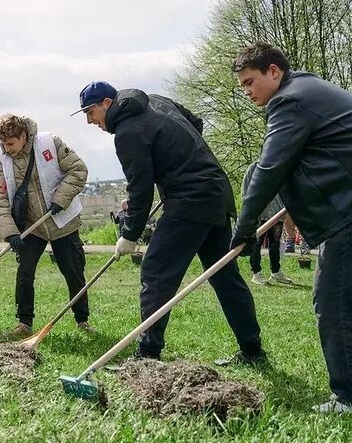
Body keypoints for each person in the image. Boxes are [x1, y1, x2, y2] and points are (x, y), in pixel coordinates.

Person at [230, 43, 352, 415]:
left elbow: (271, 167)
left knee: (337, 301)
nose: (247, 91)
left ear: (274, 72)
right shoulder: (310, 89)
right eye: (242, 86)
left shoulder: (289, 102)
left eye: (250, 82)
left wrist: (243, 226)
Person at [78, 81, 264, 365]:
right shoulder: (157, 100)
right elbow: (196, 124)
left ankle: (148, 355)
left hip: (190, 202)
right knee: (226, 278)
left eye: (90, 113)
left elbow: (139, 189)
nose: (90, 121)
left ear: (106, 103)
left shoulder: (126, 132)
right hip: (216, 193)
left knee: (156, 273)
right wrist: (177, 163)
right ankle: (252, 351)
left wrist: (129, 234)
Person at [0, 113, 93, 335]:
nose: (7, 148)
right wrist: (10, 233)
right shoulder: (3, 160)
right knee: (25, 272)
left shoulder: (50, 143)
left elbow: (78, 170)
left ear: (23, 136)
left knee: (74, 271)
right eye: (3, 144)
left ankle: (82, 321)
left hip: (62, 220)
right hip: (31, 225)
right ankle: (24, 323)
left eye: (10, 143)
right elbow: (0, 199)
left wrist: (60, 199)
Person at [241, 161, 291, 285]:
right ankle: (256, 273)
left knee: (275, 244)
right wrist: (249, 210)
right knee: (256, 244)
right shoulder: (254, 167)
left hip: (276, 214)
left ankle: (275, 272)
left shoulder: (280, 168)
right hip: (259, 213)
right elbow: (245, 188)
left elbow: (286, 190)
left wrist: (285, 209)